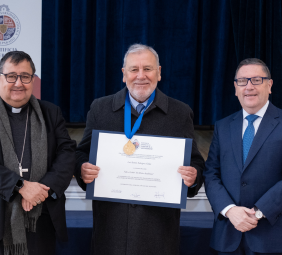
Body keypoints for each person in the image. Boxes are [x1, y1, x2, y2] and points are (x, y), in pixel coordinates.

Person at [75, 44, 205, 255]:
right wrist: (81, 168)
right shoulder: (100, 108)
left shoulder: (180, 113)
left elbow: (196, 161)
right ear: (124, 74)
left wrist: (194, 176)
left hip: (158, 232)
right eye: (134, 69)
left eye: (148, 69)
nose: (141, 76)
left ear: (159, 73)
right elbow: (82, 152)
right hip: (111, 231)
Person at [0, 51, 76, 255]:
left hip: (41, 219)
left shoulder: (51, 113)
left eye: (25, 76)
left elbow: (67, 153)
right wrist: (21, 186)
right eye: (11, 76)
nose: (18, 83)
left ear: (33, 80)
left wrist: (41, 191)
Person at [203, 58, 282, 255]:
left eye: (257, 80)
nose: (249, 86)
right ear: (235, 88)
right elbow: (211, 174)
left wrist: (256, 213)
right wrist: (230, 210)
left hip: (273, 237)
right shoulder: (223, 126)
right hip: (228, 235)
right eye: (242, 81)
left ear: (269, 85)